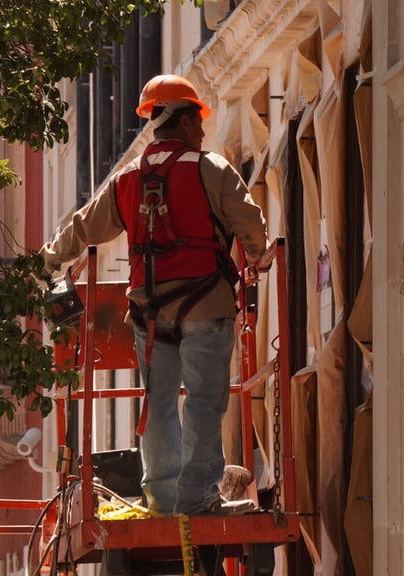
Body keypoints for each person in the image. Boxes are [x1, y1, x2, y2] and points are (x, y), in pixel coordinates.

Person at [42, 74, 267, 517]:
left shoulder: (127, 180)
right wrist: (258, 258)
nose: (202, 132)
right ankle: (199, 498)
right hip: (207, 305)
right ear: (182, 123)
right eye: (198, 123)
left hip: (150, 316)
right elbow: (253, 229)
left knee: (158, 402)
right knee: (204, 401)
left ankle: (163, 500)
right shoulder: (212, 169)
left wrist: (48, 261)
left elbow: (85, 228)